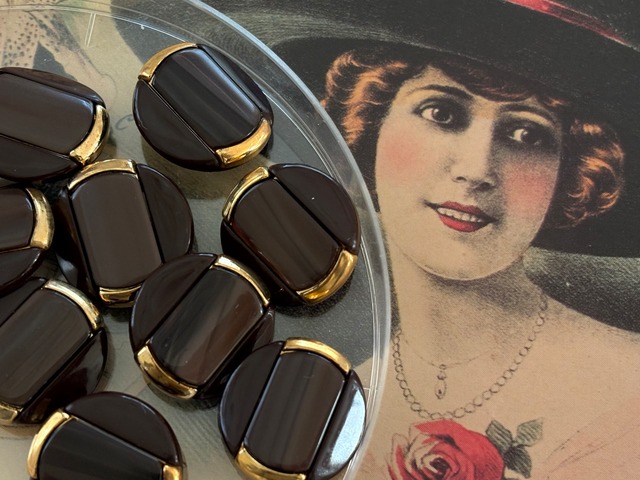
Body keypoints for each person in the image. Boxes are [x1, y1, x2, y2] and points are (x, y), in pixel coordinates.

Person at [320, 43, 640, 478]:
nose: (476, 170)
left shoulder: (626, 389)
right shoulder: (340, 397)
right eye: (442, 114)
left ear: (569, 172)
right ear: (369, 125)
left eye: (527, 135)